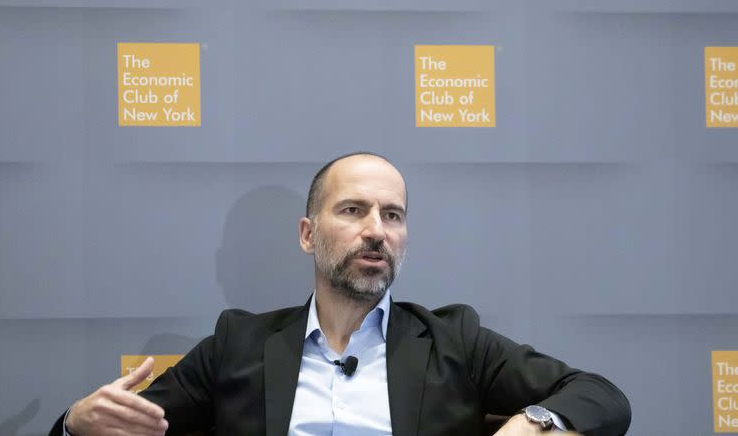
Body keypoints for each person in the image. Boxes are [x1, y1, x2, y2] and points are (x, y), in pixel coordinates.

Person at [51, 152, 630, 436]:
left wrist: (539, 421)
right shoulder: (239, 344)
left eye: (393, 214)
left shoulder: (454, 339)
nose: (376, 229)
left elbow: (602, 396)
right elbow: (125, 427)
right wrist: (76, 424)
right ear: (308, 234)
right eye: (353, 210)